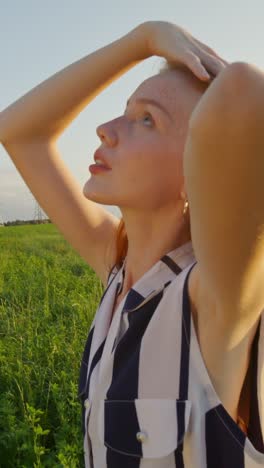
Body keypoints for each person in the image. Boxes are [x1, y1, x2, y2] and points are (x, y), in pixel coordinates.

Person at [0, 20, 263, 468]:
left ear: (194, 171)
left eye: (146, 119)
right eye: (125, 110)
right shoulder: (118, 267)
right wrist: (140, 40)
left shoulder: (213, 302)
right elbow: (18, 132)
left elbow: (247, 94)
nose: (105, 128)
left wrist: (197, 67)